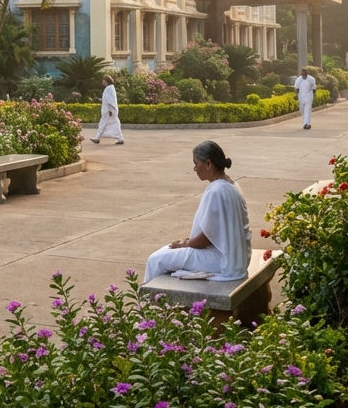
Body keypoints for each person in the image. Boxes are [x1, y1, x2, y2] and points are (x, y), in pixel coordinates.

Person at [143, 141, 251, 283]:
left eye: (196, 163)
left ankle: (149, 304)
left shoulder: (216, 191)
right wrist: (188, 242)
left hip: (223, 261)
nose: (194, 168)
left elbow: (206, 238)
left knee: (156, 260)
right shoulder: (232, 185)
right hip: (237, 258)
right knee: (168, 251)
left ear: (208, 164)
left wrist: (185, 244)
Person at [89, 74, 124, 145]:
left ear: (107, 81)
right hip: (108, 111)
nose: (102, 82)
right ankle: (120, 138)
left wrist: (111, 110)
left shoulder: (109, 89)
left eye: (104, 81)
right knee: (114, 124)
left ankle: (97, 138)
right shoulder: (110, 88)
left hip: (108, 111)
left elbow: (111, 100)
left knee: (103, 124)